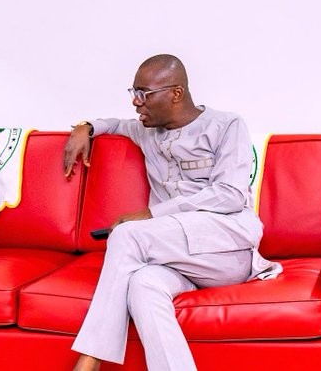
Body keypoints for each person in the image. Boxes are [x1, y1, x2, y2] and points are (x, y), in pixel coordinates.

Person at [63, 54, 281, 371]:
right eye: (133, 92)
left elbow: (231, 195)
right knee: (142, 285)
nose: (136, 103)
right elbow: (113, 124)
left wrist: (153, 214)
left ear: (175, 93)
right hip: (178, 257)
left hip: (225, 248)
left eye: (144, 93)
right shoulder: (147, 131)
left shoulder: (226, 126)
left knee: (126, 234)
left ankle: (89, 360)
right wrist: (85, 127)